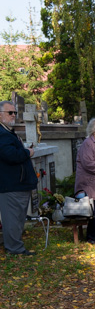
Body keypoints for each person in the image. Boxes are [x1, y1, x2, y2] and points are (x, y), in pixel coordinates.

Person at [0, 100, 37, 256]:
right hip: (12, 184)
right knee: (13, 219)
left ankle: (14, 245)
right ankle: (14, 249)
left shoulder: (8, 131)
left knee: (17, 217)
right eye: (10, 113)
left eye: (15, 112)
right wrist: (27, 152)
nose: (13, 115)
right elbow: (10, 155)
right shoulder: (2, 133)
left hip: (18, 183)